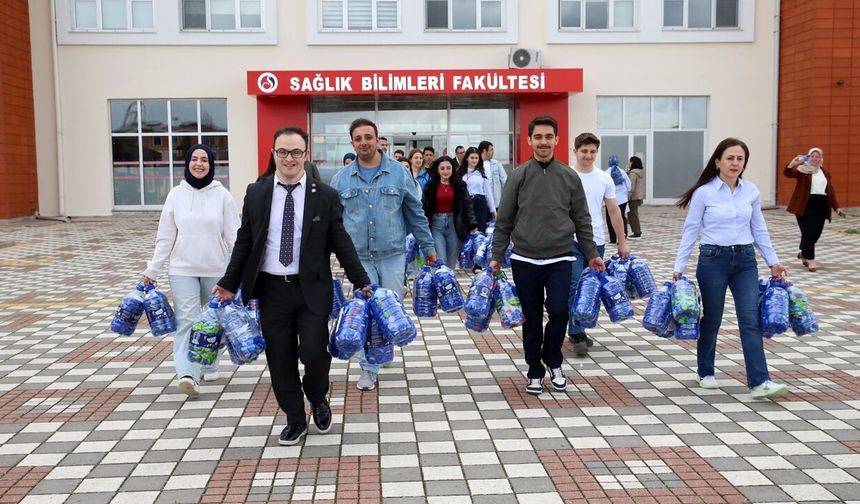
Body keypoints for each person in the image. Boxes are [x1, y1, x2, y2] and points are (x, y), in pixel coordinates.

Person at [213, 126, 372, 446]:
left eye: (296, 152)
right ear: (273, 154)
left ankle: (318, 398)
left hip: (311, 288)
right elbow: (245, 241)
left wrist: (360, 280)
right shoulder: (256, 193)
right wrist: (229, 282)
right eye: (283, 152)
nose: (289, 158)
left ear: (306, 155)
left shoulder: (324, 196)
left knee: (315, 354)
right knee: (280, 359)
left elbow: (340, 240)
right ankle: (295, 419)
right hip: (271, 290)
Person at [490, 116, 602, 396]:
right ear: (529, 140)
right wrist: (495, 255)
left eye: (548, 136)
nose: (543, 142)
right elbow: (504, 221)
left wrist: (591, 254)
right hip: (525, 259)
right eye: (538, 137)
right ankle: (534, 370)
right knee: (530, 316)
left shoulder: (569, 176)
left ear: (557, 140)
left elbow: (581, 218)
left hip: (560, 257)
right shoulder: (517, 176)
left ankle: (554, 361)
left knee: (560, 311)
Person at [674, 137, 789, 400]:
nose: (735, 163)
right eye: (730, 158)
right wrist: (679, 266)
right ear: (717, 162)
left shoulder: (751, 191)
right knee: (712, 319)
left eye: (740, 159)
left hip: (746, 261)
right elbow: (690, 230)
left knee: (750, 321)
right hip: (713, 260)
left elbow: (759, 228)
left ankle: (760, 382)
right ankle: (705, 372)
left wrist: (773, 261)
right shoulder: (705, 193)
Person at [331, 118, 437, 391]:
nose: (364, 142)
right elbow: (333, 224)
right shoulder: (341, 179)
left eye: (369, 137)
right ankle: (368, 367)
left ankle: (382, 346)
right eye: (358, 138)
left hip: (392, 254)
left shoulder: (399, 174)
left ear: (378, 140)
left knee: (390, 309)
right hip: (359, 259)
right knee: (365, 310)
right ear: (352, 142)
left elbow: (415, 213)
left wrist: (429, 249)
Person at [142, 143, 240, 397]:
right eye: (194, 159)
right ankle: (188, 374)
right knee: (187, 321)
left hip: (216, 269)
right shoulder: (176, 195)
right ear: (187, 162)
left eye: (204, 160)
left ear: (211, 165)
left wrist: (239, 272)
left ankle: (210, 361)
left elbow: (236, 237)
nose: (199, 164)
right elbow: (165, 237)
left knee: (214, 322)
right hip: (182, 269)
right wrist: (153, 269)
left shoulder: (222, 195)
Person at [567, 133, 630, 356]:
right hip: (570, 241)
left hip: (597, 242)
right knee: (575, 286)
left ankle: (578, 327)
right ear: (575, 151)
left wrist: (622, 242)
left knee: (591, 289)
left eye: (592, 151)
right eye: (584, 151)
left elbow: (614, 211)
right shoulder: (567, 175)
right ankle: (577, 333)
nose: (588, 155)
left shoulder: (604, 178)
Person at [784, 147, 845, 272]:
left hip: (821, 206)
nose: (815, 159)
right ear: (808, 157)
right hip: (805, 206)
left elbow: (830, 192)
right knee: (809, 233)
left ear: (821, 159)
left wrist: (837, 207)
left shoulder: (825, 173)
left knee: (816, 234)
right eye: (812, 156)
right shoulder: (803, 171)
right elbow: (788, 173)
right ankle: (811, 260)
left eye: (817, 156)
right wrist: (793, 164)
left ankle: (803, 253)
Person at [422, 155, 478, 266]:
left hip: (455, 224)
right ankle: (441, 281)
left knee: (451, 263)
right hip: (436, 225)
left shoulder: (460, 186)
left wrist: (472, 224)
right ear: (437, 170)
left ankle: (449, 283)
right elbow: (423, 207)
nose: (445, 171)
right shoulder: (430, 187)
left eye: (448, 168)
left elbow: (468, 206)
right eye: (442, 168)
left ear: (453, 169)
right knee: (441, 260)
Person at [457, 146, 496, 233]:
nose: (474, 160)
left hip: (480, 203)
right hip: (466, 203)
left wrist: (493, 210)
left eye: (476, 158)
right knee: (466, 230)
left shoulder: (481, 173)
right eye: (472, 158)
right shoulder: (460, 173)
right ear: (467, 158)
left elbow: (488, 193)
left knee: (479, 231)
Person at [604, 154, 631, 244]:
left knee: (610, 218)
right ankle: (623, 237)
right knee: (622, 217)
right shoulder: (622, 172)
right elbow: (629, 185)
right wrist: (625, 192)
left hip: (611, 199)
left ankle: (613, 238)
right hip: (622, 199)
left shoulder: (606, 172)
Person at [479, 140, 508, 207]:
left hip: (495, 203)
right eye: (491, 150)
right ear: (484, 151)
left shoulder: (496, 164)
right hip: (481, 203)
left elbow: (505, 181)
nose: (493, 152)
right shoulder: (476, 165)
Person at [626, 156, 645, 238]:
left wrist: (628, 197)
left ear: (633, 163)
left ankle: (637, 232)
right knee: (634, 214)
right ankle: (637, 231)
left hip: (633, 197)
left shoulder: (633, 174)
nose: (628, 163)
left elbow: (631, 187)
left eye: (629, 162)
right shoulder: (640, 172)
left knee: (632, 215)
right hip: (638, 196)